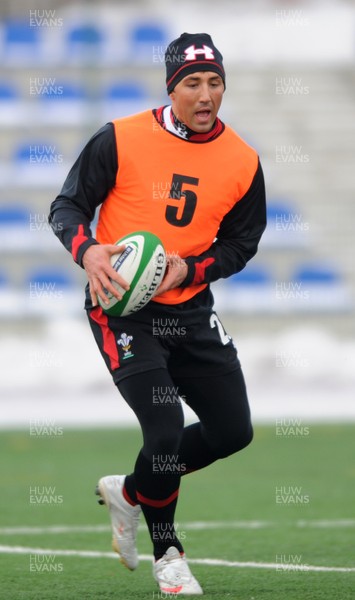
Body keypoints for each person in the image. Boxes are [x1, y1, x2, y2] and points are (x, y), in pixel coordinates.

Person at [49, 31, 266, 596]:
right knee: (165, 425)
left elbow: (241, 244)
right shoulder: (119, 138)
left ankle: (130, 489)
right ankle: (168, 553)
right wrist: (89, 249)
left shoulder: (243, 160)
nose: (204, 94)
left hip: (189, 309)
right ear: (172, 88)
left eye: (214, 82)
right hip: (121, 308)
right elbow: (67, 205)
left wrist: (188, 271)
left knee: (232, 431)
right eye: (192, 83)